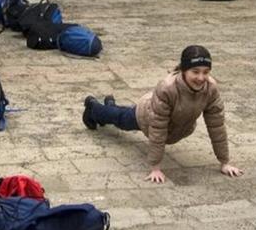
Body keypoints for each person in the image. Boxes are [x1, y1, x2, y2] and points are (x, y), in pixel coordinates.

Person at [82, 45, 241, 184]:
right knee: (121, 119)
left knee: (118, 114)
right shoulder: (167, 88)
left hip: (174, 126)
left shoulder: (211, 89)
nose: (201, 78)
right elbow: (158, 128)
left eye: (206, 72)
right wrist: (155, 167)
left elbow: (217, 126)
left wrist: (224, 162)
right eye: (195, 71)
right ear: (184, 71)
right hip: (147, 115)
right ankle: (92, 107)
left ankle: (111, 105)